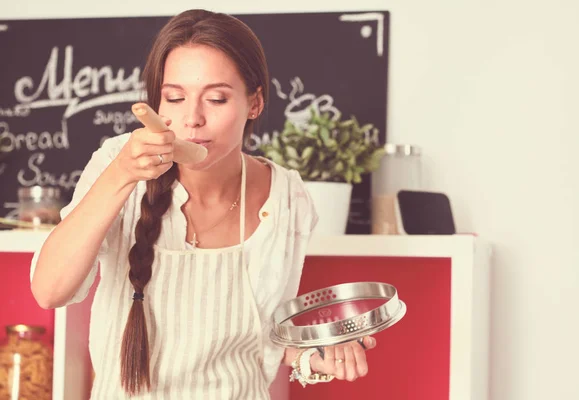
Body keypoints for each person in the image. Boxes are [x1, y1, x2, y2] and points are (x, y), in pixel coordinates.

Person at [30, 9, 376, 399]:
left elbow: (267, 336)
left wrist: (315, 354)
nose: (191, 119)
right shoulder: (117, 162)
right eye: (174, 98)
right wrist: (122, 176)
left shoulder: (287, 198)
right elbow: (50, 291)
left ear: (255, 102)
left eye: (216, 98)